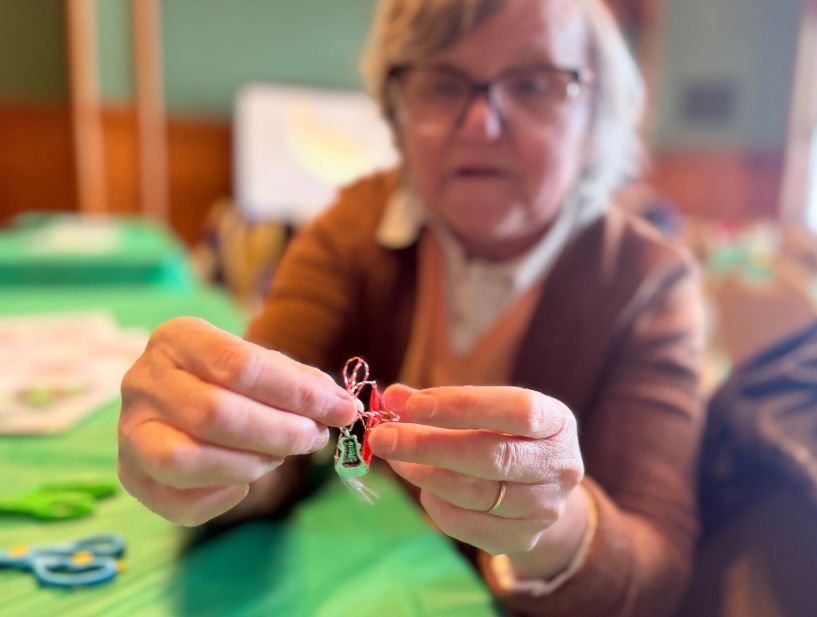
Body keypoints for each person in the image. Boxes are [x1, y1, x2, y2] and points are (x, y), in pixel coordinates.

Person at [117, 1, 705, 616]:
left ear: (595, 113)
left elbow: (658, 571)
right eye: (443, 84)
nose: (481, 124)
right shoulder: (351, 228)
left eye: (533, 84)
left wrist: (557, 528)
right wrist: (212, 449)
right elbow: (268, 432)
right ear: (398, 108)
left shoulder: (650, 284)